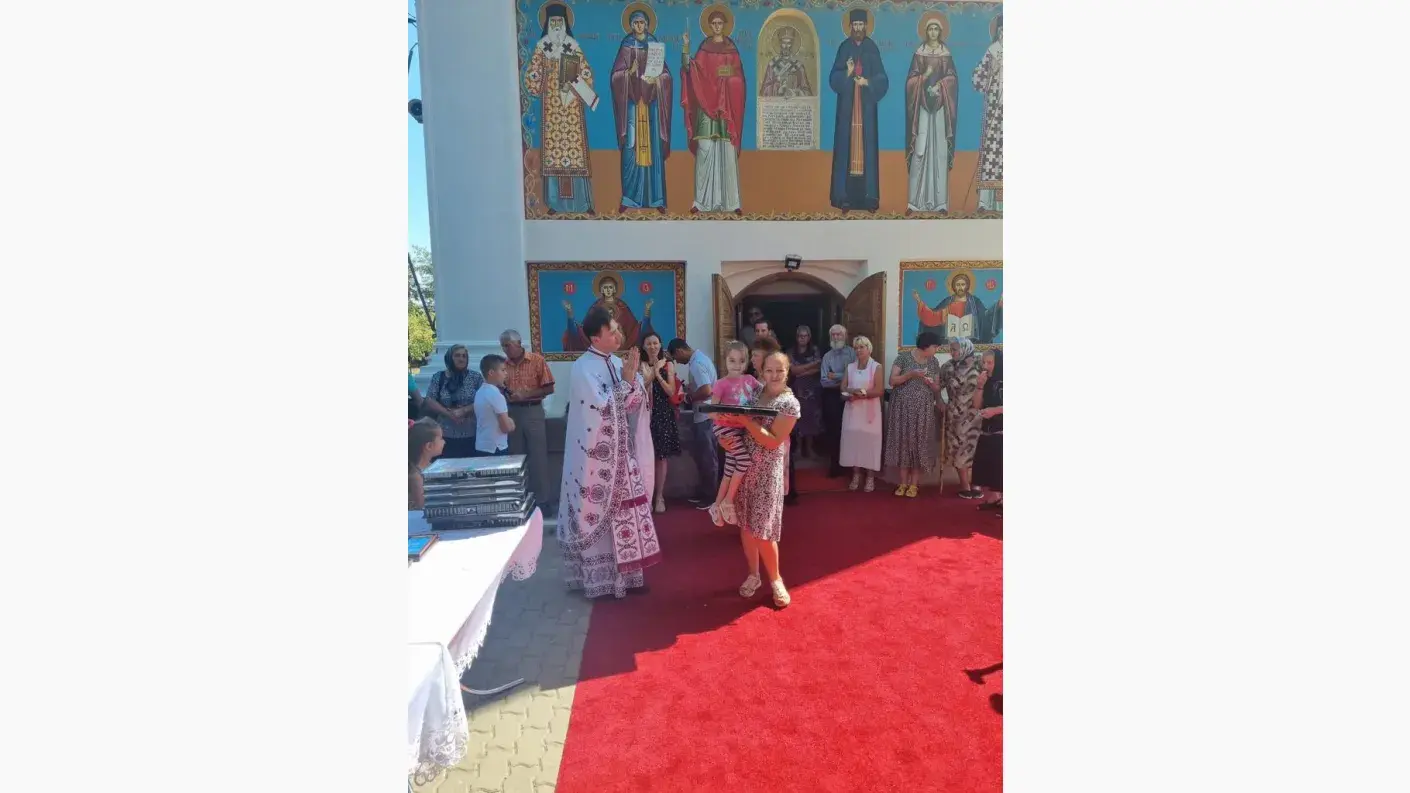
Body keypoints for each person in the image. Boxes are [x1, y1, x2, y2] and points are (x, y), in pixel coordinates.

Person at [557, 306, 662, 599]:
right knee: (597, 511)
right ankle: (599, 578)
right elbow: (599, 409)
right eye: (612, 331)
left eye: (618, 329)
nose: (618, 335)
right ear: (595, 337)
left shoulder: (617, 362)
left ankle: (628, 576)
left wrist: (633, 382)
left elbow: (633, 403)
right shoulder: (582, 368)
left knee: (625, 511)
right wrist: (627, 384)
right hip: (595, 459)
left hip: (622, 454)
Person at [713, 351, 800, 608]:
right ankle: (753, 574)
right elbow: (734, 424)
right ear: (762, 372)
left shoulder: (790, 403)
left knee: (764, 531)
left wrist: (745, 419)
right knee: (746, 526)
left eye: (780, 370)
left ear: (788, 372)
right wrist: (724, 439)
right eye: (769, 370)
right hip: (743, 467)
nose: (774, 375)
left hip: (767, 471)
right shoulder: (754, 393)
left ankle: (776, 579)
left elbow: (772, 441)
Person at [523, 3, 596, 215]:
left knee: (575, 153)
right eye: (553, 22)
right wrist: (544, 75)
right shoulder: (542, 47)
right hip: (552, 110)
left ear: (565, 24)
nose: (556, 26)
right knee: (554, 154)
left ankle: (583, 204)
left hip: (571, 108)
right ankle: (555, 204)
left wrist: (575, 80)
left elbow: (587, 74)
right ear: (547, 24)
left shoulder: (573, 46)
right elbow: (532, 77)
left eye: (559, 22)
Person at [681, 8, 746, 214]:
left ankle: (732, 203)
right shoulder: (703, 48)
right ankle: (700, 202)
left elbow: (738, 76)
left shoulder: (731, 48)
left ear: (724, 25)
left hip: (725, 107)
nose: (717, 26)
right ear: (709, 26)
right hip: (705, 107)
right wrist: (685, 47)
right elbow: (692, 70)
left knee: (727, 152)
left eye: (720, 23)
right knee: (705, 150)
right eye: (714, 23)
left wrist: (726, 76)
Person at [610, 7, 673, 214]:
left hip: (651, 105)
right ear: (631, 25)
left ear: (647, 24)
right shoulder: (626, 45)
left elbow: (666, 75)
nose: (639, 26)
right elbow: (615, 77)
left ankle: (656, 199)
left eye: (642, 22)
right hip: (632, 105)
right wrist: (629, 72)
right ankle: (629, 198)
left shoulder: (654, 44)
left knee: (653, 149)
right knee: (631, 148)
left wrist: (659, 80)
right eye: (636, 22)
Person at [828, 8, 889, 212]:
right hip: (847, 108)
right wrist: (848, 72)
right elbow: (833, 78)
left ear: (866, 26)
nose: (858, 28)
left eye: (861, 24)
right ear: (850, 26)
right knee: (845, 148)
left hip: (866, 109)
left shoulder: (872, 48)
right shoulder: (844, 48)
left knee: (867, 149)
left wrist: (867, 82)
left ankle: (869, 198)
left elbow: (882, 79)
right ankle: (843, 197)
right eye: (855, 25)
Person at [904, 16, 958, 215]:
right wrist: (924, 77)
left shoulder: (946, 54)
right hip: (922, 108)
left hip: (941, 108)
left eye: (936, 29)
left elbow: (953, 79)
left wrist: (940, 86)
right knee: (920, 150)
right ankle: (914, 202)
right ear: (926, 32)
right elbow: (910, 82)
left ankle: (940, 203)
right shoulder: (919, 53)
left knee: (940, 152)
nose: (933, 32)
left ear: (940, 32)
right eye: (930, 29)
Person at [707, 341, 763, 526]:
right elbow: (711, 411)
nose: (736, 365)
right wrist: (724, 416)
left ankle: (716, 506)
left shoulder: (750, 380)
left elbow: (765, 392)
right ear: (725, 360)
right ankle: (728, 501)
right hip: (725, 428)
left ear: (746, 362)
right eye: (732, 360)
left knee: (730, 468)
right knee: (744, 461)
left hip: (740, 429)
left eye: (741, 361)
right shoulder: (721, 384)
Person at [883, 331, 943, 497]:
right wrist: (911, 374)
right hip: (902, 409)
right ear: (926, 345)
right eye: (935, 346)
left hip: (923, 410)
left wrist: (931, 384)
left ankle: (914, 484)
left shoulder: (933, 361)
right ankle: (902, 483)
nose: (937, 350)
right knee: (904, 444)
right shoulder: (903, 357)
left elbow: (937, 388)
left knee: (919, 445)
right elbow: (892, 380)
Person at [500, 330, 556, 506]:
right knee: (516, 456)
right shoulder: (502, 365)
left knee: (538, 457)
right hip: (512, 412)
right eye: (503, 346)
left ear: (518, 343)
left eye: (508, 345)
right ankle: (519, 499)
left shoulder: (537, 361)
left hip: (533, 410)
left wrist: (526, 394)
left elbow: (549, 388)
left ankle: (542, 501)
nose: (505, 349)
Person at [667, 337, 719, 509]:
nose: (677, 362)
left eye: (676, 358)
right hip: (705, 414)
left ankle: (711, 497)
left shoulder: (696, 364)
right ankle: (705, 491)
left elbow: (706, 390)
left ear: (679, 351)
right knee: (704, 457)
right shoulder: (701, 359)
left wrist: (690, 398)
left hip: (705, 416)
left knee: (708, 458)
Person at [749, 336, 795, 504]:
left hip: (772, 441)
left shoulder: (777, 387)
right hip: (756, 441)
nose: (752, 359)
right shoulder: (754, 382)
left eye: (755, 355)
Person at [639, 332, 680, 513]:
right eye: (649, 343)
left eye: (655, 343)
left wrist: (658, 373)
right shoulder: (639, 365)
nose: (652, 347)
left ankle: (659, 496)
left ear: (660, 344)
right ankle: (646, 496)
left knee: (661, 457)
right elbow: (639, 388)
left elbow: (671, 391)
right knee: (645, 456)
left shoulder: (668, 364)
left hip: (662, 414)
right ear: (643, 346)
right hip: (644, 414)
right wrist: (652, 372)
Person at [422, 345, 484, 459]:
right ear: (449, 358)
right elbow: (429, 400)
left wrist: (464, 410)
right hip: (445, 435)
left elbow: (484, 400)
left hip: (471, 433)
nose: (461, 359)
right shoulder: (438, 377)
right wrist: (449, 414)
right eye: (457, 356)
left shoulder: (475, 377)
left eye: (464, 356)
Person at [940, 337, 984, 498]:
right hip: (955, 415)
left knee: (977, 449)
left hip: (977, 414)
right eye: (951, 349)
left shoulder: (980, 365)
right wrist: (939, 401)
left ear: (965, 348)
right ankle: (965, 485)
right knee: (958, 450)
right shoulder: (948, 367)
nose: (952, 353)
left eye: (955, 349)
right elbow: (938, 386)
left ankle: (977, 485)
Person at [839, 334, 883, 492]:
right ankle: (856, 475)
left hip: (870, 413)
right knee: (854, 442)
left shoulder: (876, 367)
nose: (858, 350)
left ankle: (870, 477)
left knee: (869, 443)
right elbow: (843, 388)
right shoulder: (850, 367)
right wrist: (851, 393)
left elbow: (879, 390)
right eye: (856, 348)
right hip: (852, 411)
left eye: (861, 347)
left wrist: (863, 394)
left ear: (869, 349)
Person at [973, 14, 1003, 214]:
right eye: (1002, 30)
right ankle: (986, 202)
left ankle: (1002, 203)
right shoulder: (992, 52)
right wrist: (991, 72)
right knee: (991, 154)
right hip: (994, 111)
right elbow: (977, 80)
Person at [819, 324, 856, 477]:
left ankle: (851, 466)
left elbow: (855, 375)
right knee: (833, 431)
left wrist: (836, 375)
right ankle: (835, 466)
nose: (836, 337)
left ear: (845, 336)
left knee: (850, 430)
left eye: (839, 334)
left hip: (851, 396)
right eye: (833, 335)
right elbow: (824, 381)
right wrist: (844, 380)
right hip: (832, 396)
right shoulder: (827, 356)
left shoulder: (853, 353)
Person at [972, 349, 1003, 516]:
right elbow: (977, 405)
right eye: (984, 362)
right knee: (989, 464)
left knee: (1001, 465)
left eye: (990, 362)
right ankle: (994, 497)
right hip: (988, 428)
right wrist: (979, 386)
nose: (986, 366)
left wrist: (995, 411)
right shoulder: (987, 381)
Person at [787, 325, 824, 458]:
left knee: (811, 418)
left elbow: (819, 368)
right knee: (797, 418)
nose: (802, 338)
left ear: (809, 337)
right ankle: (798, 448)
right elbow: (793, 370)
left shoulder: (815, 350)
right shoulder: (791, 351)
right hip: (797, 389)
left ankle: (809, 448)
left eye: (805, 336)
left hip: (812, 389)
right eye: (800, 336)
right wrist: (811, 365)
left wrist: (801, 371)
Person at [473, 354, 515, 457]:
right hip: (496, 447)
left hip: (482, 445)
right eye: (503, 370)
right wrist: (511, 423)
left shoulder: (480, 392)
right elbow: (506, 427)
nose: (506, 373)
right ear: (491, 373)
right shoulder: (496, 395)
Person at [760, 26, 813, 98]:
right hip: (776, 103)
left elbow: (807, 92)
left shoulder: (799, 66)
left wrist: (796, 92)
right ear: (780, 44)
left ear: (792, 44)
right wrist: (777, 88)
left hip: (794, 104)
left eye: (789, 43)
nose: (786, 46)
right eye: (784, 43)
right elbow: (764, 91)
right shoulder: (772, 64)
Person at [408, 418, 444, 510]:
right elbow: (422, 506)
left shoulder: (431, 466)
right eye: (441, 439)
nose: (444, 442)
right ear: (429, 446)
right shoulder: (416, 477)